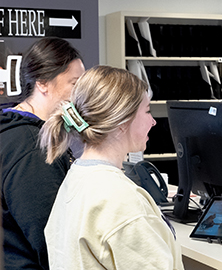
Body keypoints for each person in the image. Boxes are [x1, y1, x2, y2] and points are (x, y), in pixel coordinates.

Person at [39, 65, 184, 269]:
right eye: (147, 111)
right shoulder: (122, 202)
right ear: (123, 121)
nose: (152, 122)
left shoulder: (76, 178)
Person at [0, 37, 85, 269]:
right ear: (43, 83)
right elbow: (51, 240)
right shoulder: (32, 147)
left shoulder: (13, 127)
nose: (80, 96)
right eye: (74, 84)